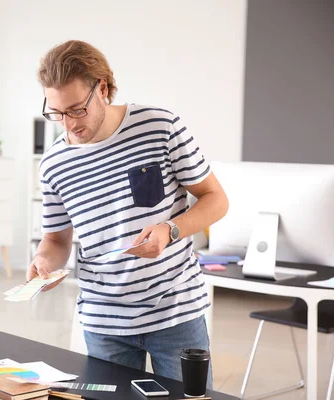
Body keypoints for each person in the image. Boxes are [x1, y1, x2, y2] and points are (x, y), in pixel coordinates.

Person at [28, 40, 229, 386]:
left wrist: (171, 229)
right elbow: (56, 238)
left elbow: (216, 199)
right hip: (104, 323)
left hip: (175, 312)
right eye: (57, 113)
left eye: (77, 110)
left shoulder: (160, 127)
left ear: (102, 88)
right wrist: (45, 261)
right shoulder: (53, 165)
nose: (69, 125)